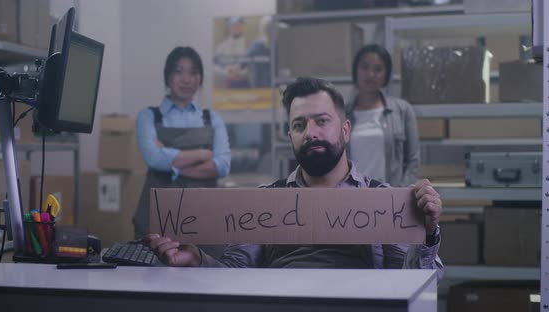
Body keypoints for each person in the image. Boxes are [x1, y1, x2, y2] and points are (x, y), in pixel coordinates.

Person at [144, 77, 443, 281]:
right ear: (291, 137)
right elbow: (235, 273)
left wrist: (427, 234)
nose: (310, 132)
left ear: (346, 130)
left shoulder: (384, 199)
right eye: (300, 125)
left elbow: (413, 281)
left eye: (322, 121)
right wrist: (197, 260)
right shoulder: (265, 201)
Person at [133, 47, 231, 250]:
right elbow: (153, 159)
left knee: (209, 277)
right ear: (167, 77)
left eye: (193, 72)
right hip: (157, 220)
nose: (186, 79)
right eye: (179, 71)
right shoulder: (148, 116)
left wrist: (172, 164)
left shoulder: (212, 119)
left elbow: (222, 165)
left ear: (200, 79)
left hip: (205, 219)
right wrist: (203, 155)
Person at [347, 44, 419, 187]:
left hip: (390, 198)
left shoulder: (402, 110)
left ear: (386, 74)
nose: (370, 74)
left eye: (378, 69)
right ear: (356, 71)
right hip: (350, 197)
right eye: (365, 67)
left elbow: (413, 160)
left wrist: (400, 194)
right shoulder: (342, 114)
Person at [214, 16, 250, 89]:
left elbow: (253, 66)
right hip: (228, 85)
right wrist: (226, 72)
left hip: (245, 84)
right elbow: (214, 65)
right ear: (229, 27)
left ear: (242, 26)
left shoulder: (249, 45)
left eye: (239, 25)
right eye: (233, 25)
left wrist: (240, 73)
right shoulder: (222, 47)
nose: (236, 28)